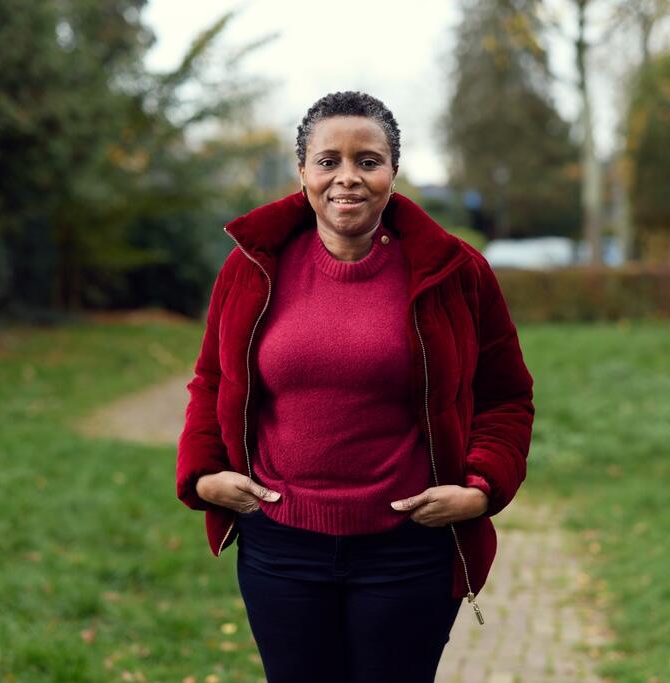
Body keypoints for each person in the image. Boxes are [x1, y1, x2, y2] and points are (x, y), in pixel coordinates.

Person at [176, 91, 534, 683]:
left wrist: (480, 489)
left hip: (408, 549)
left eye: (368, 161)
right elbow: (211, 379)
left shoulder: (456, 272)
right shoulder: (252, 266)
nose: (348, 178)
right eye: (328, 161)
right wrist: (204, 474)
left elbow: (505, 397)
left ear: (393, 171)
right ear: (303, 172)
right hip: (280, 548)